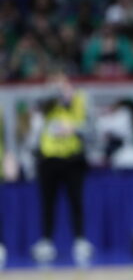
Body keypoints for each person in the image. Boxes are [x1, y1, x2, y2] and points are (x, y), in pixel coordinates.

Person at [30, 71, 93, 267]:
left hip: (72, 159)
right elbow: (35, 121)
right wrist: (53, 96)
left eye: (61, 82)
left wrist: (74, 127)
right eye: (54, 82)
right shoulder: (44, 102)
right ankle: (46, 241)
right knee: (48, 203)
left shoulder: (80, 99)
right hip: (48, 159)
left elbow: (91, 127)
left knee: (76, 201)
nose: (58, 86)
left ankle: (80, 240)